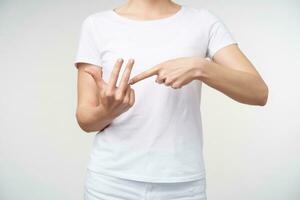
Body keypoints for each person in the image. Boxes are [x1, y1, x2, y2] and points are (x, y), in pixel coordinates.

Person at [74, 0, 269, 199]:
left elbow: (258, 92)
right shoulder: (96, 25)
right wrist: (109, 110)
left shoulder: (204, 22)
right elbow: (85, 121)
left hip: (182, 185)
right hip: (111, 183)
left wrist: (200, 67)